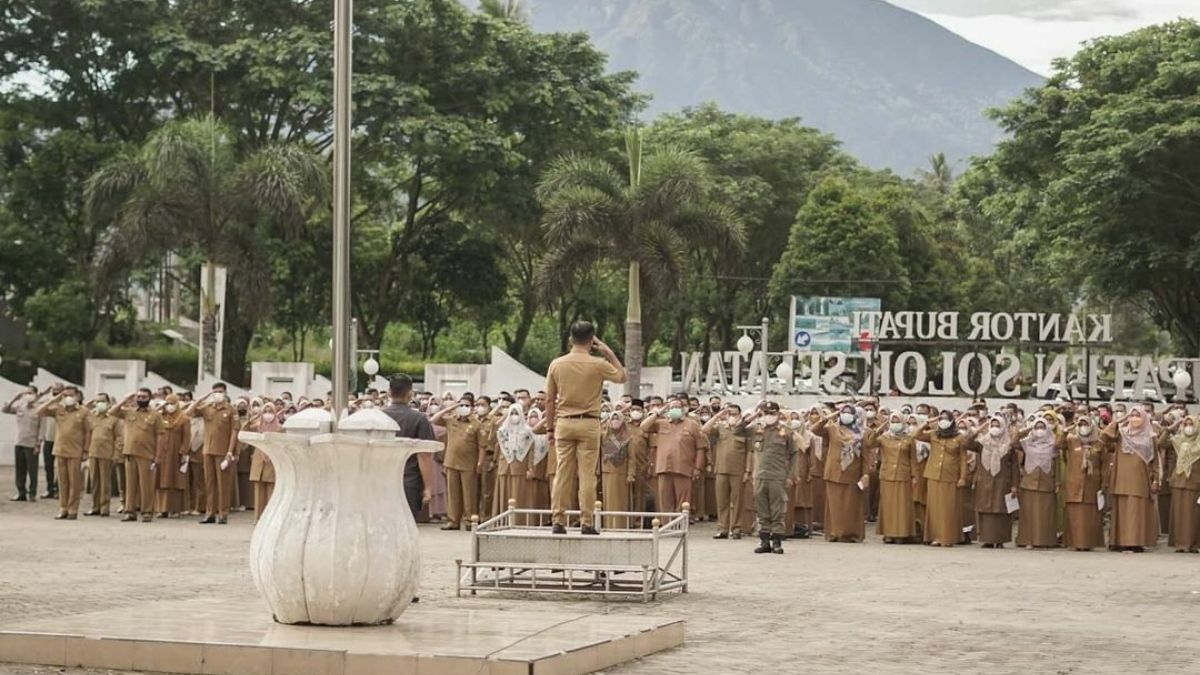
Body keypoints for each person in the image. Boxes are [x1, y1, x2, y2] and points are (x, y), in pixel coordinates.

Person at [543, 321, 627, 535]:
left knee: (562, 473)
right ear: (592, 341)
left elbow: (550, 400)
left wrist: (550, 429)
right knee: (587, 475)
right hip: (589, 422)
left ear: (571, 339)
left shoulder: (557, 364)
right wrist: (608, 352)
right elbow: (622, 376)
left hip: (564, 422)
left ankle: (558, 520)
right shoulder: (597, 364)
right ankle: (586, 521)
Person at [737, 402, 798, 554]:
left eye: (772, 412)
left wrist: (791, 476)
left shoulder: (786, 431)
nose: (769, 415)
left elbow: (794, 454)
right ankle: (764, 541)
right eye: (766, 412)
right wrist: (754, 416)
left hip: (777, 476)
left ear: (778, 413)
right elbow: (737, 431)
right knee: (762, 509)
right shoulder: (756, 429)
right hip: (760, 476)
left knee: (777, 510)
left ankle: (777, 542)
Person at [1102, 407, 1161, 552]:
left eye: (1137, 416)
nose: (1134, 418)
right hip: (1120, 478)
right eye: (1132, 415)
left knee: (1136, 512)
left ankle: (1135, 542)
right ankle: (1118, 542)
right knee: (1121, 511)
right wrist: (1119, 420)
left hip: (1140, 480)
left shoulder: (1150, 436)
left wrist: (1156, 479)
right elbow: (1104, 437)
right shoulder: (1121, 434)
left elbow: (1155, 461)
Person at [379, 374, 437, 521]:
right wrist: (428, 487)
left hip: (381, 480)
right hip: (409, 481)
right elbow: (424, 455)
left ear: (389, 393)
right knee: (406, 527)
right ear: (410, 394)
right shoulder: (419, 419)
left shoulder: (378, 416)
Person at [811, 404, 870, 543]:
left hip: (853, 473)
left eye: (850, 413)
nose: (846, 415)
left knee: (851, 506)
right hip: (834, 472)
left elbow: (866, 456)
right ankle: (834, 533)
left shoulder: (862, 433)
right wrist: (830, 416)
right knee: (834, 505)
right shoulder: (832, 428)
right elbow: (815, 430)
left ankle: (850, 534)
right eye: (844, 413)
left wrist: (866, 474)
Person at [642, 397, 707, 516]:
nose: (674, 409)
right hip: (664, 469)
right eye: (672, 407)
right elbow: (644, 427)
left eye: (677, 407)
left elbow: (700, 448)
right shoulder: (661, 423)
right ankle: (667, 529)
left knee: (683, 504)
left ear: (683, 410)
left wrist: (698, 468)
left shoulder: (692, 425)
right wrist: (658, 412)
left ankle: (680, 529)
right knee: (665, 503)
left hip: (683, 469)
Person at [186, 384, 240, 524]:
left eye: (220, 392)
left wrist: (230, 451)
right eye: (215, 392)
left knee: (223, 484)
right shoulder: (207, 408)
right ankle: (210, 512)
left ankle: (223, 513)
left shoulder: (231, 410)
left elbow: (235, 431)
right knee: (209, 483)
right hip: (208, 450)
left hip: (223, 451)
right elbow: (188, 413)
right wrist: (200, 400)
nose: (217, 394)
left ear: (225, 393)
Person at [430, 398, 486, 531]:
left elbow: (482, 445)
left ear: (472, 408)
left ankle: (469, 520)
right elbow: (433, 420)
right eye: (462, 405)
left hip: (469, 463)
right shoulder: (451, 420)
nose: (464, 407)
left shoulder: (476, 423)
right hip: (451, 462)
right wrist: (450, 408)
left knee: (469, 494)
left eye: (467, 405)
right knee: (453, 494)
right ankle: (453, 521)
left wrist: (480, 462)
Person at [916, 411, 970, 547]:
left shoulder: (959, 437)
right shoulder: (934, 434)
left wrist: (963, 477)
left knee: (947, 508)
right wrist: (928, 423)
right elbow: (915, 435)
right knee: (934, 508)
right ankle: (934, 536)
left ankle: (947, 537)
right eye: (941, 418)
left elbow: (963, 458)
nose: (943, 421)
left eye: (946, 419)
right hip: (933, 475)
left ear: (952, 421)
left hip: (950, 475)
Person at [110, 388, 164, 522]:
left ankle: (147, 512)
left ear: (149, 398)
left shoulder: (155, 415)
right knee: (130, 485)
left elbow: (160, 437)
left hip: (147, 454)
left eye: (144, 397)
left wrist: (158, 456)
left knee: (146, 485)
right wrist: (125, 399)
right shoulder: (129, 412)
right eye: (138, 397)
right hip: (130, 453)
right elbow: (112, 411)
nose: (140, 399)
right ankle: (130, 511)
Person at [36, 386, 89, 520]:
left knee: (74, 481)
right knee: (62, 481)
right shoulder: (59, 408)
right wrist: (56, 398)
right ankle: (63, 508)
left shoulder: (83, 411)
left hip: (76, 450)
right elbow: (40, 411)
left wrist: (86, 450)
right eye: (66, 395)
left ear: (77, 396)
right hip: (60, 449)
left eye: (71, 395)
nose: (68, 398)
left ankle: (73, 509)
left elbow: (88, 432)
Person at [865, 412, 919, 544]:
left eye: (897, 421)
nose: (895, 424)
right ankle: (888, 533)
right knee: (888, 505)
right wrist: (879, 428)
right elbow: (869, 443)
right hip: (887, 474)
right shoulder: (884, 437)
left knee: (902, 505)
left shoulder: (909, 438)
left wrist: (915, 476)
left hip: (903, 474)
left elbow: (913, 459)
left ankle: (901, 533)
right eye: (892, 421)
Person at [970, 413, 1018, 549]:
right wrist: (979, 429)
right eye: (993, 425)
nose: (995, 428)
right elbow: (966, 443)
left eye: (998, 425)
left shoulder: (1009, 445)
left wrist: (1014, 485)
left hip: (1003, 483)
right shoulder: (982, 443)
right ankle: (987, 540)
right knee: (986, 511)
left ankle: (1000, 540)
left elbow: (1015, 466)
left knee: (1001, 511)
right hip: (985, 482)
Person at [1015, 415, 1061, 549]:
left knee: (1045, 514)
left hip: (1047, 482)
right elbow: (1013, 441)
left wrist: (1058, 482)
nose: (1040, 430)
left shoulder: (1053, 444)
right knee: (1029, 514)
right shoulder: (1027, 443)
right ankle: (1028, 540)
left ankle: (1045, 541)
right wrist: (1029, 428)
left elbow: (1057, 463)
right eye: (1037, 427)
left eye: (1042, 427)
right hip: (1029, 482)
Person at [705, 404, 749, 540]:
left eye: (735, 414)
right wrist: (718, 415)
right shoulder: (721, 427)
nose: (732, 417)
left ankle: (736, 529)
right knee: (722, 501)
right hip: (721, 469)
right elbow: (704, 429)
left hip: (738, 470)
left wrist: (748, 470)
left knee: (737, 501)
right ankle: (722, 528)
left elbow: (750, 452)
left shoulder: (745, 430)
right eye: (730, 414)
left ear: (740, 415)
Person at [1063, 414, 1105, 551]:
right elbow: (1058, 444)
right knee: (1075, 516)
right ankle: (1075, 543)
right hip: (1074, 483)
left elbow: (1104, 464)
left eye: (1085, 424)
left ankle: (1089, 544)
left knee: (1090, 517)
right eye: (1080, 425)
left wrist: (1104, 483)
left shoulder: (1098, 442)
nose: (1083, 428)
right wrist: (1066, 430)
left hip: (1092, 484)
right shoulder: (1071, 440)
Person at [83, 394, 120, 517]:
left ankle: (105, 507)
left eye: (103, 401)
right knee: (94, 481)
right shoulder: (92, 416)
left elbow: (118, 438)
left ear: (108, 403)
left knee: (105, 482)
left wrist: (116, 454)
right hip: (93, 452)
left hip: (107, 453)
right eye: (98, 401)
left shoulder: (113, 418)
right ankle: (95, 506)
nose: (100, 404)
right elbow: (83, 411)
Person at [4, 386, 43, 502]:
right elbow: (5, 409)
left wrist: (38, 444)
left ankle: (32, 494)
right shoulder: (21, 407)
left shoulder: (40, 409)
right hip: (19, 442)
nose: (28, 395)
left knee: (32, 470)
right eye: (26, 393)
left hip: (31, 444)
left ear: (36, 394)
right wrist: (14, 399)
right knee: (20, 469)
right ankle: (21, 492)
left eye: (30, 393)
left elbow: (42, 429)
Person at [600, 411, 637, 528]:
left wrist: (631, 474)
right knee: (608, 502)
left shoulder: (628, 438)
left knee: (620, 503)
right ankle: (609, 526)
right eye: (613, 418)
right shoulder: (604, 436)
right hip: (607, 473)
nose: (615, 420)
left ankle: (621, 526)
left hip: (622, 474)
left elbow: (632, 458)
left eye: (618, 418)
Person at [1168, 416, 1200, 553]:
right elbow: (1160, 443)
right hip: (1178, 481)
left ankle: (1193, 544)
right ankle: (1180, 544)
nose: (1188, 427)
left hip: (1195, 482)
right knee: (1179, 515)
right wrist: (1172, 427)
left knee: (1193, 516)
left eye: (1191, 424)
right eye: (1186, 424)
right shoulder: (1177, 441)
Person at [155, 394, 190, 518]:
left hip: (176, 455)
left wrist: (183, 452)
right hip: (162, 454)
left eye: (171, 403)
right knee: (161, 480)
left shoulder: (184, 418)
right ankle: (162, 509)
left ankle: (175, 509)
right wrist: (161, 407)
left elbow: (186, 438)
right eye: (167, 403)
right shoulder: (161, 417)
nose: (169, 406)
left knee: (175, 481)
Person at [247, 402, 281, 522]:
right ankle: (258, 518)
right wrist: (253, 417)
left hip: (272, 460)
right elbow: (243, 429)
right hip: (258, 460)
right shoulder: (257, 426)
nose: (268, 415)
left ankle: (271, 519)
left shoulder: (280, 428)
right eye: (265, 411)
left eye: (270, 411)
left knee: (271, 492)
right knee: (258, 492)